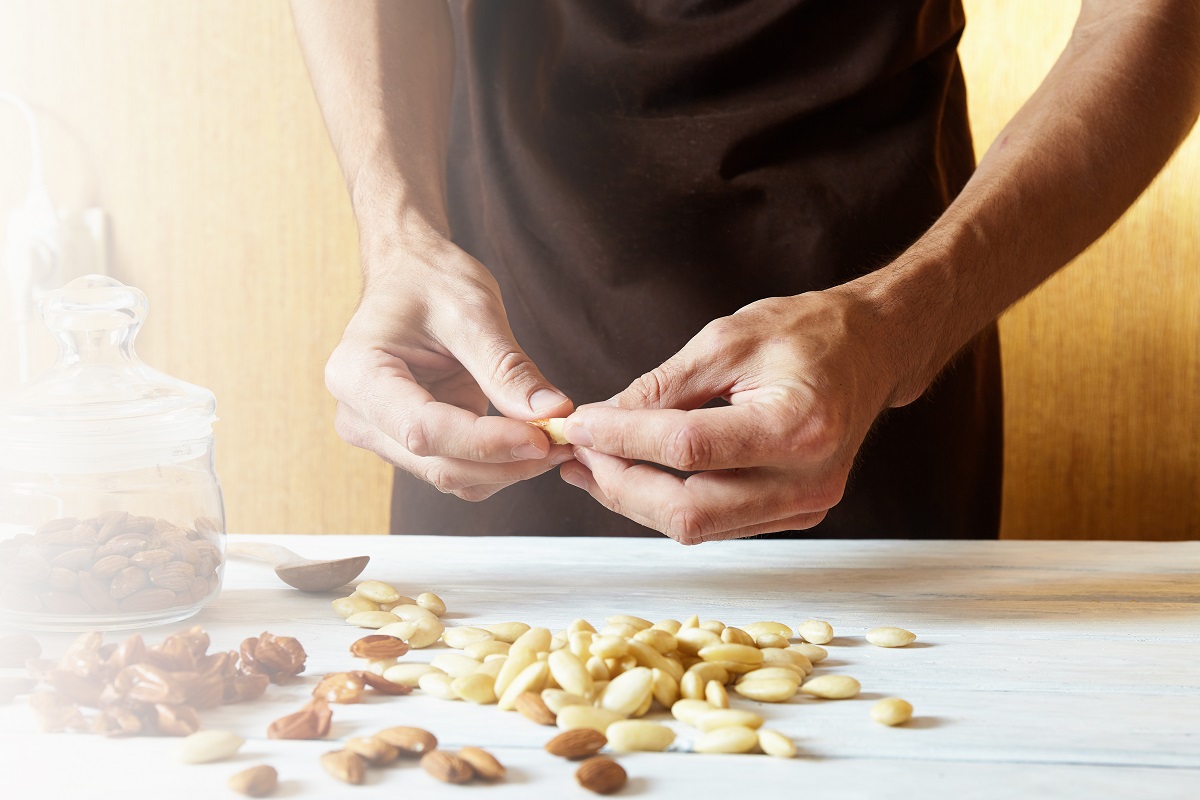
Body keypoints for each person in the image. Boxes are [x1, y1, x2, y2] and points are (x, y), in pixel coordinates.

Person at [291, 0, 1200, 544]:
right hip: (489, 337)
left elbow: (1155, 14)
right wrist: (397, 236)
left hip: (872, 351)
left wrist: (897, 325)